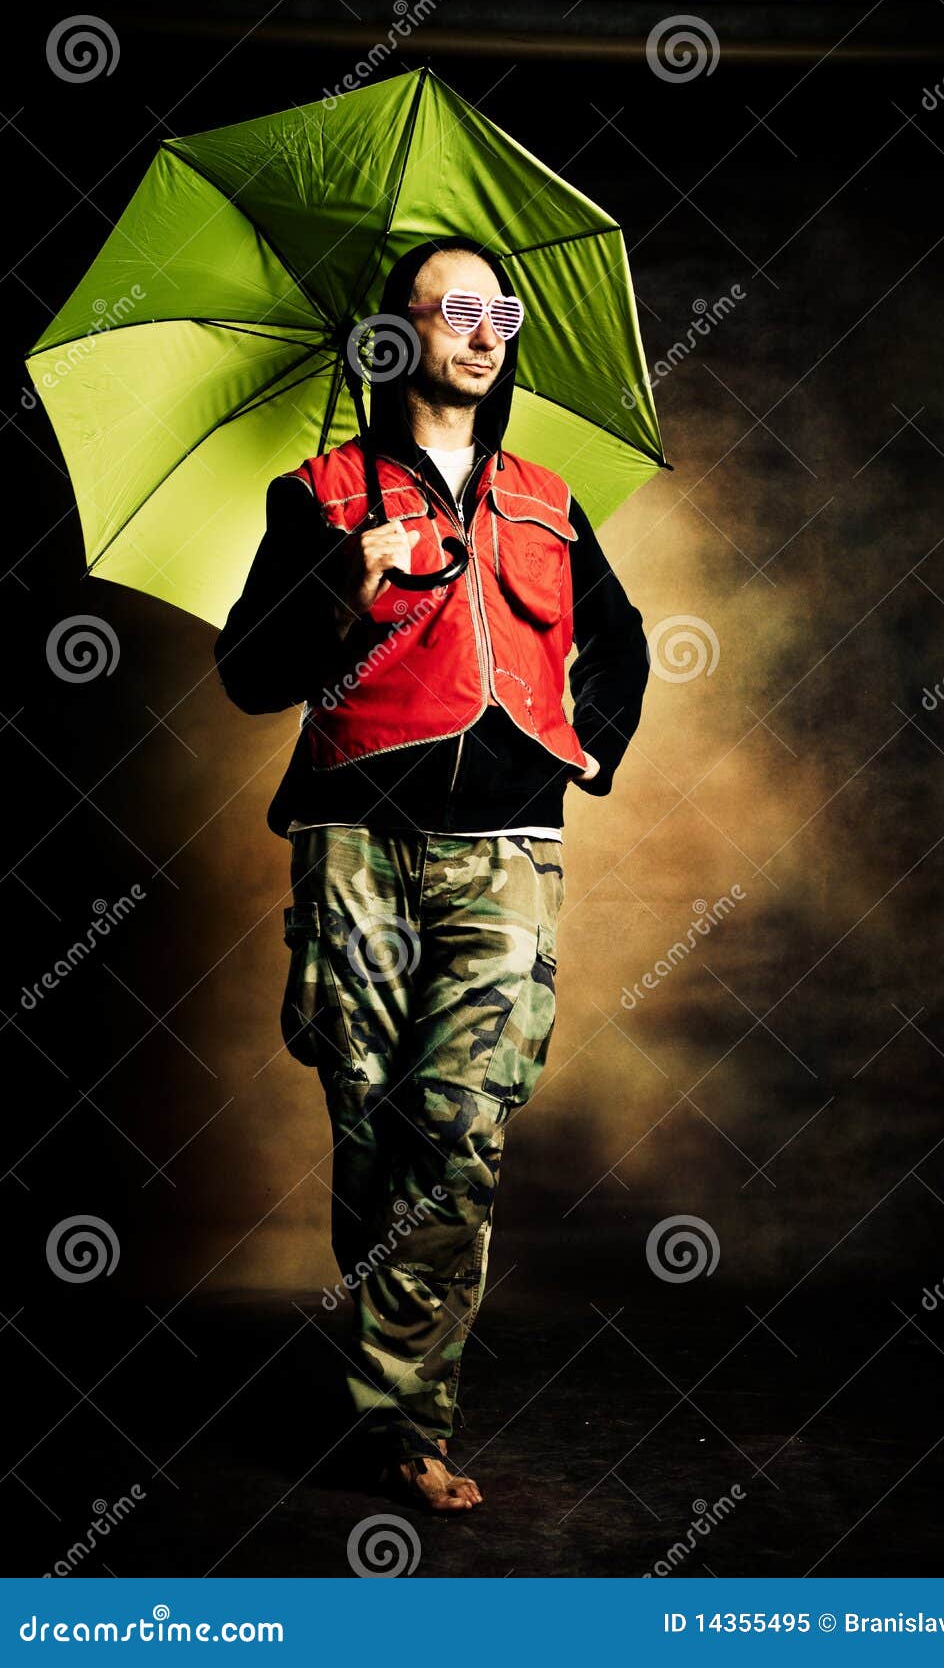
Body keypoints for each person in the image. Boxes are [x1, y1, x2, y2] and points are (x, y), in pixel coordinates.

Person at [214, 235, 649, 1511]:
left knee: (457, 1129)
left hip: (505, 848)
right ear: (395, 335)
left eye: (498, 309)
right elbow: (249, 674)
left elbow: (617, 649)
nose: (485, 329)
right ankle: (393, 1407)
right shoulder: (319, 493)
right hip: (352, 843)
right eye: (455, 308)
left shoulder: (550, 497)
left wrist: (585, 748)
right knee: (369, 1127)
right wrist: (340, 596)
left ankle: (409, 1419)